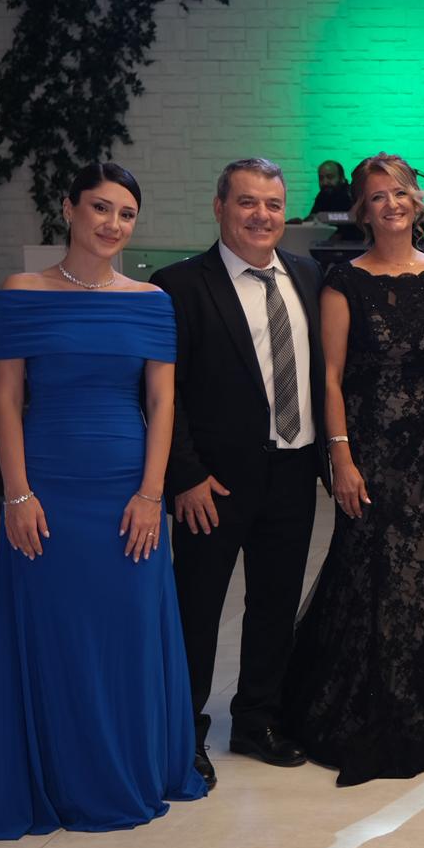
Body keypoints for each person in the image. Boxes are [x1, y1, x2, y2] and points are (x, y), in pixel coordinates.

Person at [0, 163, 206, 839]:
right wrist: (17, 493)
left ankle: (130, 769)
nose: (112, 224)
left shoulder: (150, 300)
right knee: (54, 633)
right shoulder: (21, 292)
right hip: (48, 487)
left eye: (126, 214)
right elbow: (6, 398)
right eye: (99, 207)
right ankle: (61, 779)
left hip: (127, 486)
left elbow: (163, 402)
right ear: (67, 208)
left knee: (128, 633)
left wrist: (152, 494)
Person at [282, 154, 424, 785]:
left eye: (400, 192)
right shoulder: (343, 282)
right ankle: (369, 705)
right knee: (368, 568)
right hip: (369, 451)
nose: (392, 204)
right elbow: (329, 377)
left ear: (417, 201)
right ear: (363, 210)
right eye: (378, 196)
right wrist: (340, 457)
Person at [151, 158, 327, 788]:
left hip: (294, 470)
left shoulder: (308, 275)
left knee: (275, 604)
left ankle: (257, 718)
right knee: (196, 610)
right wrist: (184, 475)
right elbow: (162, 393)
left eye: (273, 204)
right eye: (247, 202)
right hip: (212, 485)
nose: (261, 215)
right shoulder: (179, 285)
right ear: (219, 206)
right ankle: (183, 730)